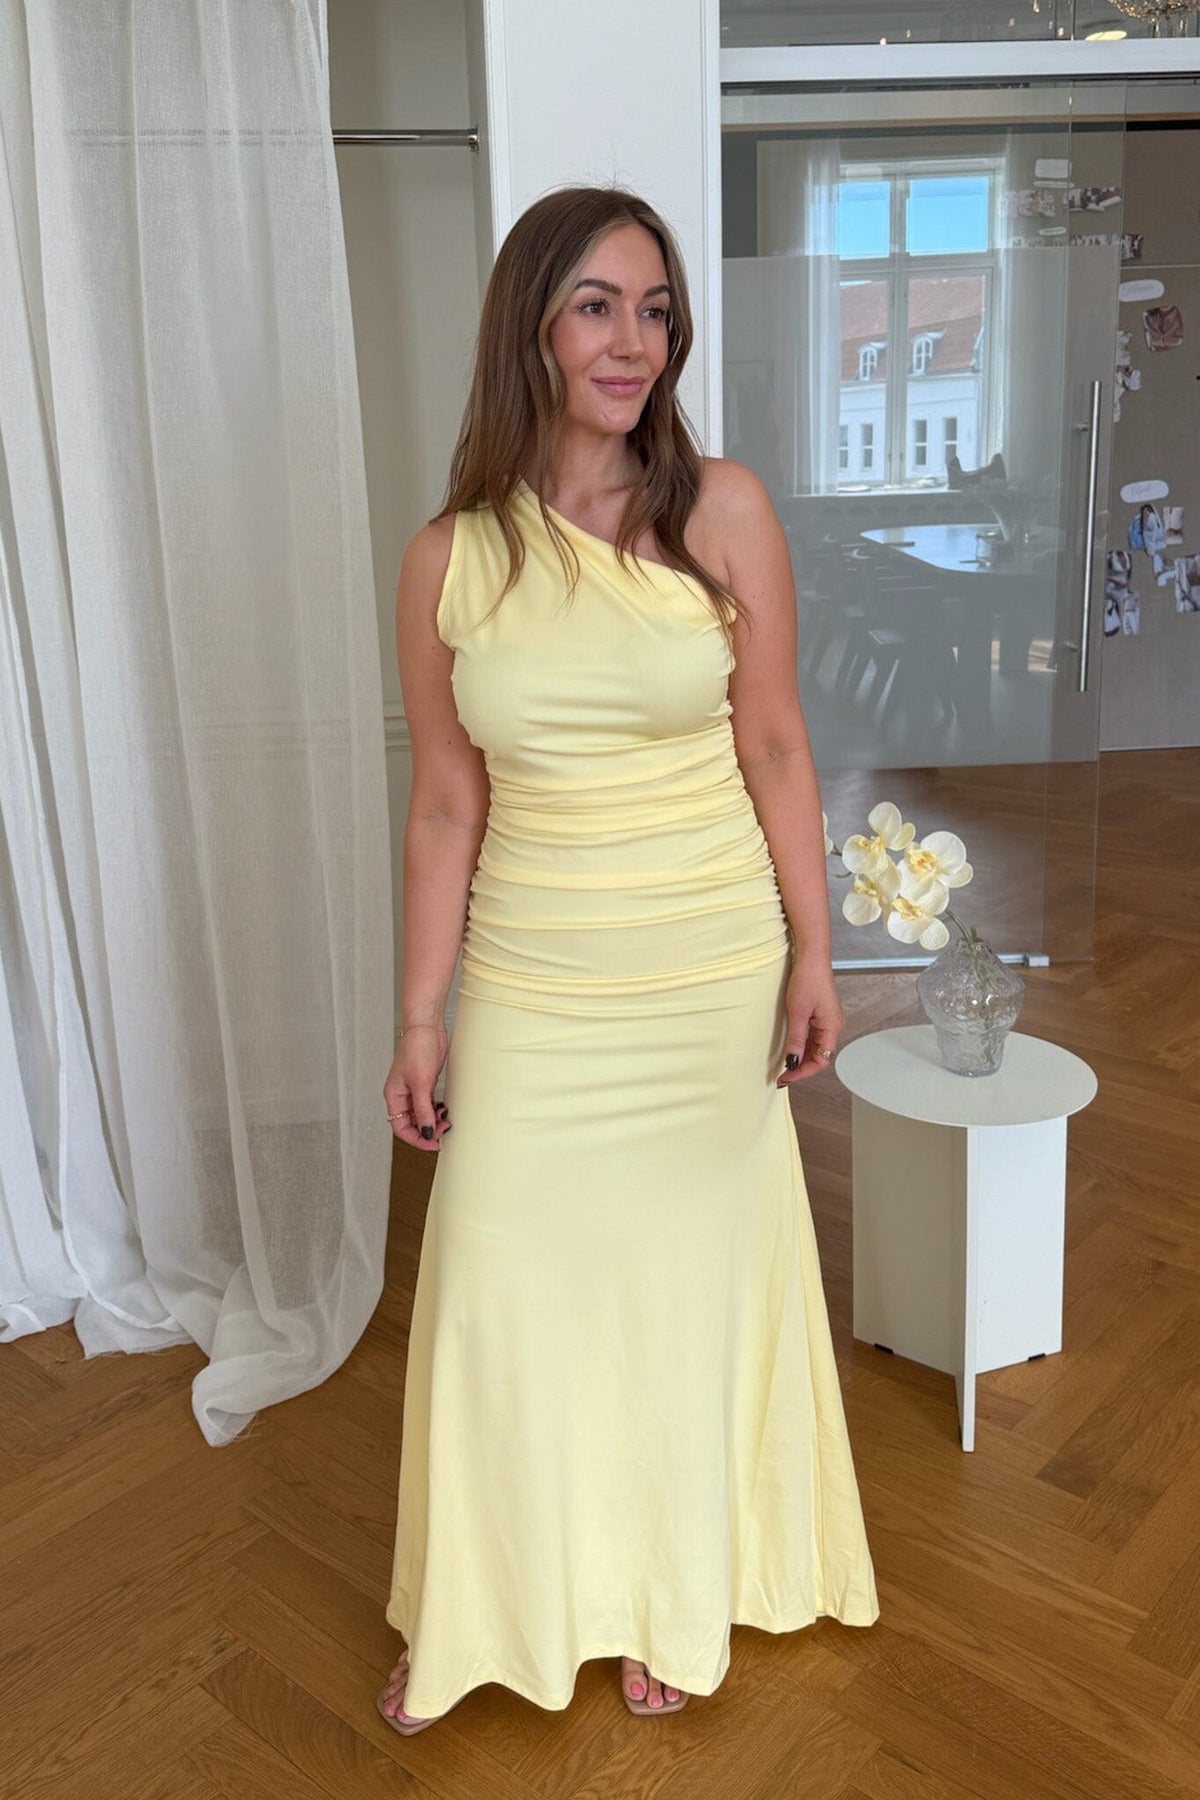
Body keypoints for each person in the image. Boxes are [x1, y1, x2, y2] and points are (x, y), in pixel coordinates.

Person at [376, 184, 879, 1736]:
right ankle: (482, 1607)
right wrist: (419, 1018)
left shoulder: (721, 510)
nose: (633, 341)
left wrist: (816, 950)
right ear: (529, 324)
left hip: (707, 967)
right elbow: (447, 801)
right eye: (597, 305)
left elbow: (776, 742)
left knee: (680, 1290)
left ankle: (674, 1582)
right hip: (535, 978)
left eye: (655, 311)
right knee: (501, 1288)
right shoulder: (449, 559)